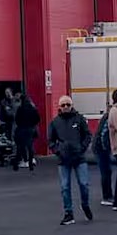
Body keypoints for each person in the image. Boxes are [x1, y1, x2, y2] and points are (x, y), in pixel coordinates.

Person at [49, 95, 93, 225]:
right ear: (59, 107)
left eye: (68, 104)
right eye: (63, 105)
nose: (66, 107)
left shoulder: (79, 119)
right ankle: (68, 213)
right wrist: (57, 151)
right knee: (65, 187)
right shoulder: (55, 122)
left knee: (84, 184)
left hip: (79, 158)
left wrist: (82, 148)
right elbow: (51, 140)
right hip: (63, 160)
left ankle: (85, 205)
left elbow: (87, 135)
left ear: (72, 105)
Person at [93, 91, 117, 206]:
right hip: (100, 147)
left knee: (107, 171)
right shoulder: (111, 114)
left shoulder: (111, 112)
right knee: (106, 171)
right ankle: (107, 197)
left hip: (102, 146)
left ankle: (109, 195)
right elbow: (104, 134)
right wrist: (109, 149)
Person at [12, 93, 40, 172]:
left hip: (21, 129)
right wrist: (32, 125)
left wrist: (21, 124)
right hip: (30, 129)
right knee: (30, 146)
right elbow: (37, 119)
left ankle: (18, 163)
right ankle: (31, 164)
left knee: (20, 147)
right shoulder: (33, 108)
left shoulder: (20, 108)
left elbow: (17, 119)